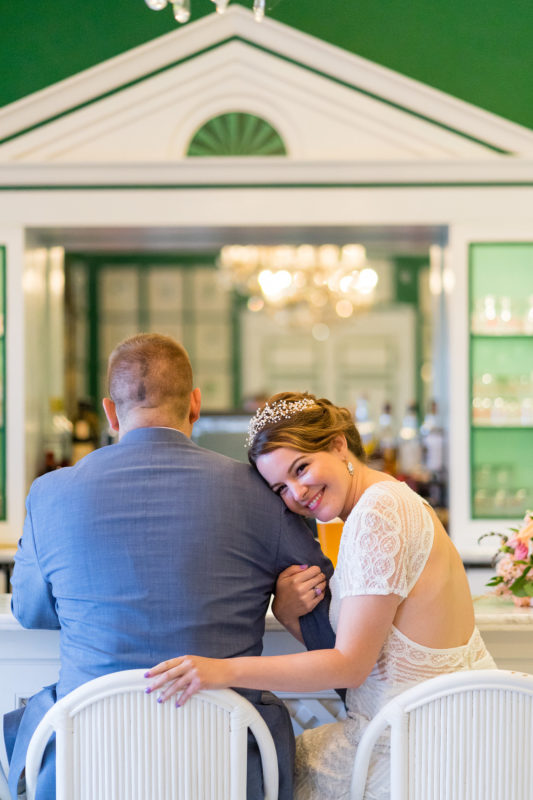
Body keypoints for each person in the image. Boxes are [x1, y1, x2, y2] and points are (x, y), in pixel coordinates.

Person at [4, 339, 335, 800]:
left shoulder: (49, 494)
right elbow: (326, 615)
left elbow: (31, 611)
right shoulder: (261, 492)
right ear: (194, 403)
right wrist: (281, 598)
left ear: (110, 413)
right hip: (227, 765)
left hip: (90, 765)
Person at [146, 391, 496, 800]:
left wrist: (221, 670)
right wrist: (291, 613)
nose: (297, 492)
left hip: (421, 750)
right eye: (281, 488)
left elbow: (350, 668)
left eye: (301, 468)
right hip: (447, 731)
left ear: (337, 444)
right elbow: (371, 656)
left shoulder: (379, 511)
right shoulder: (384, 500)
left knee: (253, 773)